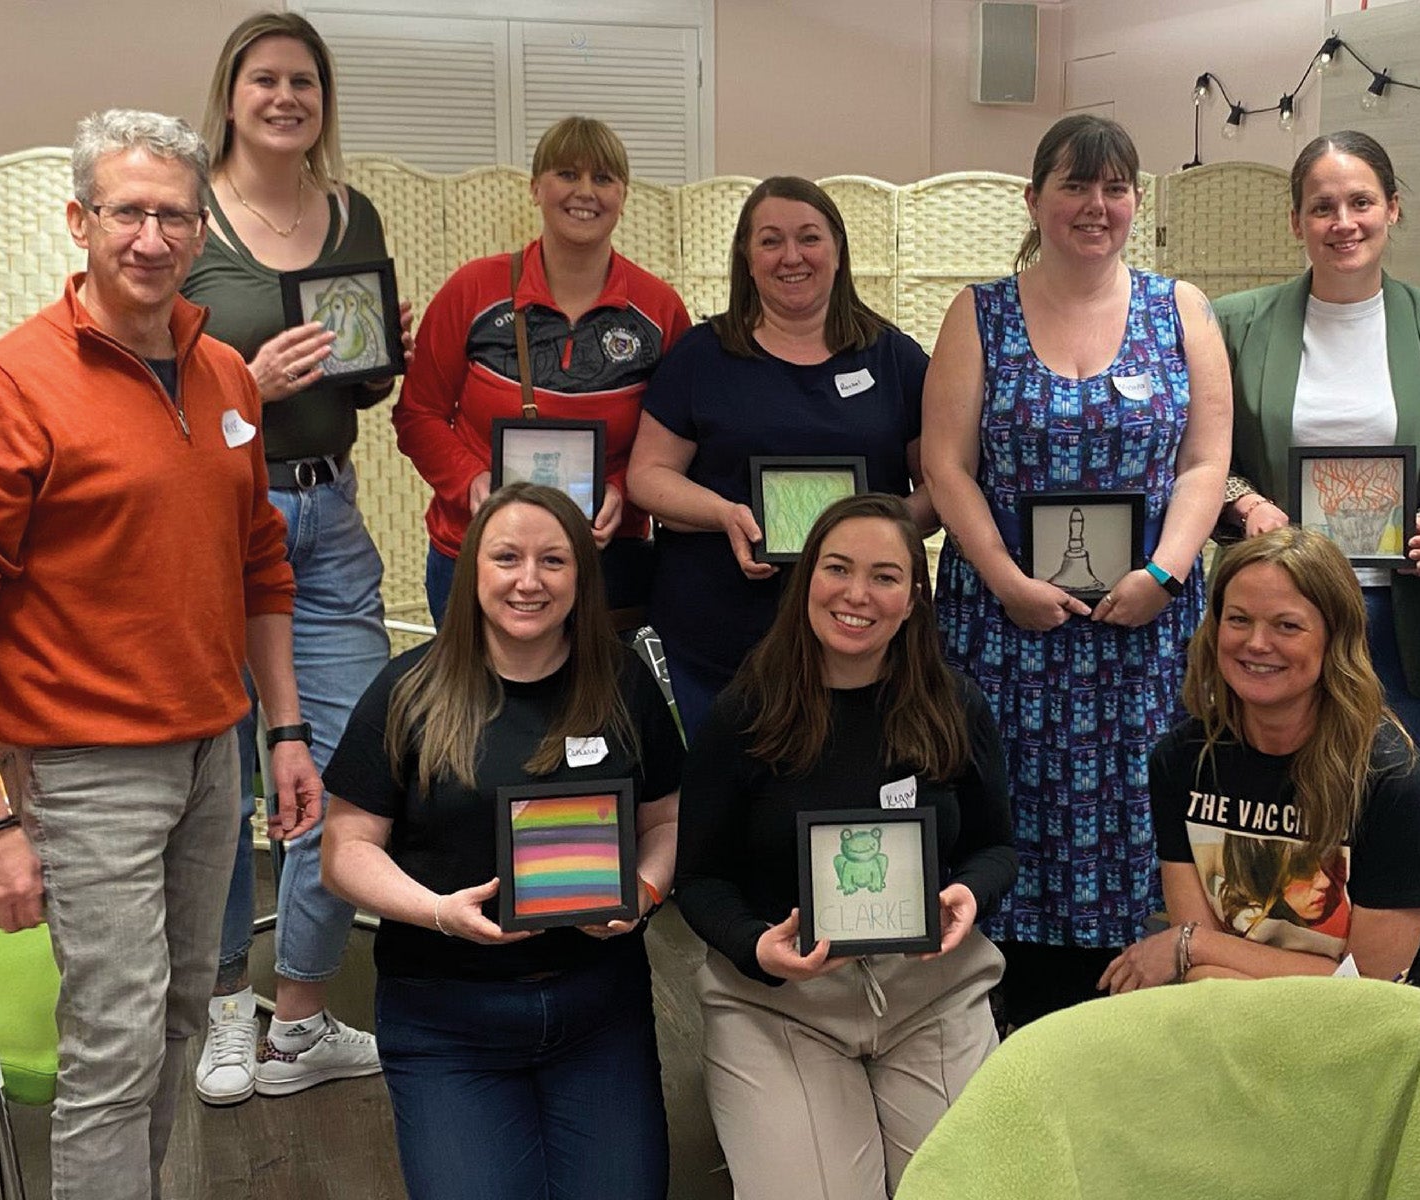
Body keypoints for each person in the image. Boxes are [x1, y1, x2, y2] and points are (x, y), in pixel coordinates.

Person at [0, 109, 319, 1198]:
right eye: (127, 211)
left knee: (184, 1014)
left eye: (175, 216)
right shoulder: (4, 390)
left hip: (211, 752)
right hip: (88, 771)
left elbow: (259, 565)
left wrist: (283, 728)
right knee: (113, 1044)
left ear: (200, 235)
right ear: (79, 221)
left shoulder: (224, 374)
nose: (152, 237)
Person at [921, 113, 1231, 1026]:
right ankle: (999, 1024)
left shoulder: (1184, 310)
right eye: (1074, 185)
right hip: (1007, 625)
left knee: (1145, 813)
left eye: (1115, 187)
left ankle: (1135, 1012)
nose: (1096, 206)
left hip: (1145, 630)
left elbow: (1207, 463)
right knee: (1004, 803)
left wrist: (1167, 576)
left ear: (1136, 200)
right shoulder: (978, 313)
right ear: (1033, 199)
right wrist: (1007, 581)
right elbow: (947, 465)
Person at [319, 483, 683, 1200]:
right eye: (506, 557)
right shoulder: (406, 692)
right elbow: (344, 850)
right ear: (471, 570)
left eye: (552, 561)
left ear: (580, 576)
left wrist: (641, 893)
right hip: (445, 1017)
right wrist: (436, 911)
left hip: (597, 1008)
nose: (528, 580)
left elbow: (667, 821)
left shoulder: (622, 684)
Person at [180, 10, 406, 1107]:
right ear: (230, 94)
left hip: (330, 518)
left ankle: (301, 1014)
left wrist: (367, 363)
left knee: (346, 762)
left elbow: (367, 368)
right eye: (265, 80)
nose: (285, 98)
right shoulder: (183, 213)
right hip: (214, 520)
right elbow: (136, 380)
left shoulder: (351, 211)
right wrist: (242, 386)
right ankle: (228, 1008)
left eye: (303, 83)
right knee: (222, 780)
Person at [675, 493, 1015, 1200]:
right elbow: (700, 879)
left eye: (886, 576)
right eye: (838, 568)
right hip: (778, 1007)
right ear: (808, 582)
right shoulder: (745, 713)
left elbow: (996, 848)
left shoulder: (954, 705)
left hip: (931, 996)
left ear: (914, 598)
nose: (857, 594)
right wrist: (754, 947)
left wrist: (968, 895)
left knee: (972, 1186)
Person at [1212, 129, 1420, 767]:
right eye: (1322, 207)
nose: (1343, 223)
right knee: (1277, 823)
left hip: (1401, 622)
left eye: (1361, 202)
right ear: (1296, 220)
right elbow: (1199, 460)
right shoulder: (1234, 325)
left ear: (1392, 207)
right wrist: (1247, 505)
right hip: (1275, 615)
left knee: (1397, 819)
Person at [629, 177, 932, 734]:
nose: (791, 256)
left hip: (860, 643)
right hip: (718, 646)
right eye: (770, 241)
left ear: (838, 251)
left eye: (809, 238)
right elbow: (647, 477)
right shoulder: (701, 356)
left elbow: (940, 487)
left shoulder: (895, 359)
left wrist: (873, 540)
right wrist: (724, 514)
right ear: (746, 258)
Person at [1097, 529, 1420, 999]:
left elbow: (1367, 986)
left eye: (1287, 626)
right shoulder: (1181, 761)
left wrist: (1195, 947)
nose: (1257, 644)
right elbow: (1196, 948)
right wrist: (1198, 949)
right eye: (1238, 620)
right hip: (1229, 999)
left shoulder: (1393, 778)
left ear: (1334, 638)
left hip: (1373, 1025)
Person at [395, 116, 692, 631]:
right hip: (476, 554)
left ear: (624, 195)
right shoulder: (472, 289)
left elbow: (678, 442)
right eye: (566, 174)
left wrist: (621, 491)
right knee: (479, 711)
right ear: (535, 188)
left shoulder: (659, 310)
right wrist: (473, 483)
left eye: (603, 178)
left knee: (598, 711)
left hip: (605, 560)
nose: (585, 192)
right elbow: (418, 414)